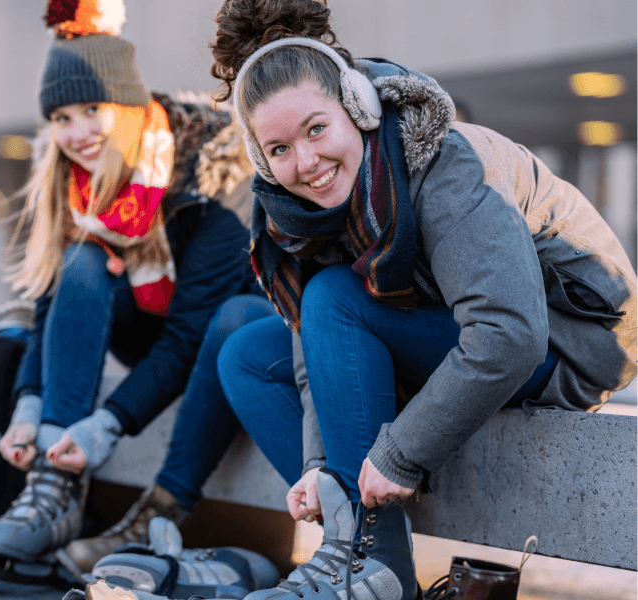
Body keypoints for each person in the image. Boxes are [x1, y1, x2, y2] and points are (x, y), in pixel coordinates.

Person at [0, 0, 276, 596]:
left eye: (93, 110)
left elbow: (189, 335)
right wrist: (32, 406)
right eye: (61, 118)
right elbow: (51, 301)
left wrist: (106, 426)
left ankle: (146, 509)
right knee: (80, 263)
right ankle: (51, 490)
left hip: (214, 335)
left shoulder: (211, 177)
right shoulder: (74, 182)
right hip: (140, 327)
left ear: (128, 103)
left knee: (225, 315)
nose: (78, 133)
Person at [208, 1, 638, 600]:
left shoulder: (446, 163)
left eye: (315, 129)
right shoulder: (305, 213)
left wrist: (403, 452)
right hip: (450, 330)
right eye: (278, 150)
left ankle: (373, 567)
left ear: (357, 108)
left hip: (563, 341)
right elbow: (313, 347)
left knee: (334, 294)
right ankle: (361, 549)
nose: (306, 164)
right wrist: (315, 464)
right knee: (248, 354)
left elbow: (509, 334)